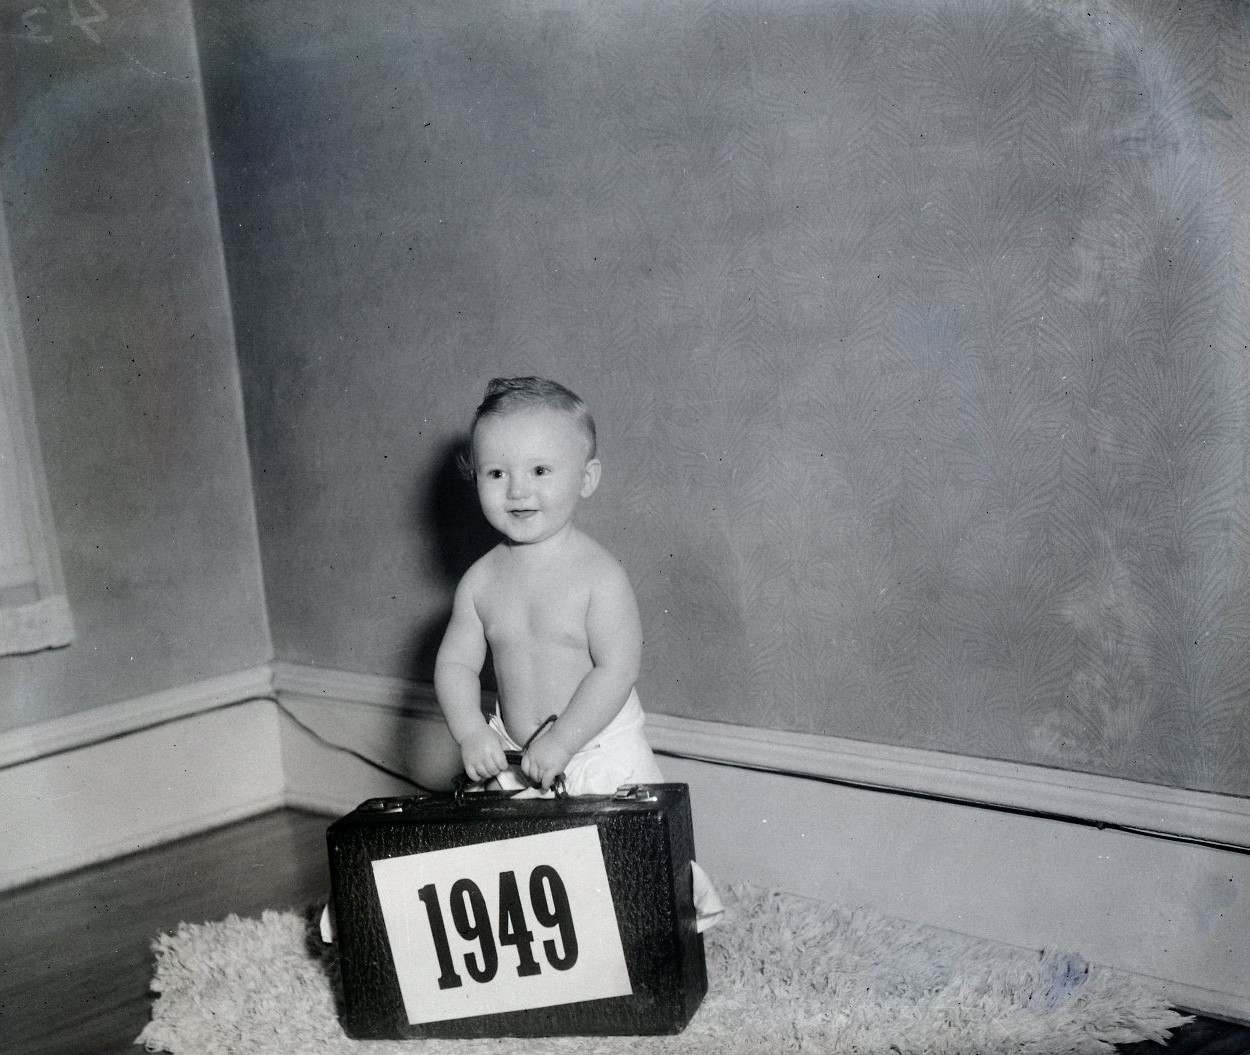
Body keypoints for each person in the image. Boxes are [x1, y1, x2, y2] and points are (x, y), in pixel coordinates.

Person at [434, 376, 665, 796]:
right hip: (517, 758)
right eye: (497, 473)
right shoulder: (479, 582)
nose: (518, 490)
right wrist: (470, 732)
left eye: (540, 470)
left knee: (628, 856)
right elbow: (456, 665)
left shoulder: (600, 576)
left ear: (586, 478)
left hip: (596, 751)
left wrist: (562, 741)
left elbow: (618, 669)